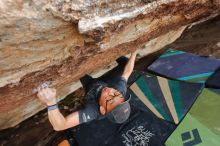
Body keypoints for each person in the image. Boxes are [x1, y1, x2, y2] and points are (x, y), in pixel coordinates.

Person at [37, 51, 137, 131]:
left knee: (76, 68)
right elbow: (128, 72)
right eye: (116, 94)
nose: (110, 92)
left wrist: (51, 102)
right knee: (125, 63)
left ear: (102, 109)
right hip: (107, 81)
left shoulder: (92, 112)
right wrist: (135, 51)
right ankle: (108, 49)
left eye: (110, 99)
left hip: (91, 86)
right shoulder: (119, 90)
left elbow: (60, 126)